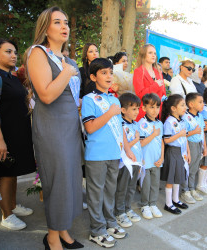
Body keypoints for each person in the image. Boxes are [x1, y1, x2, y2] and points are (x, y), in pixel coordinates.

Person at [25, 7, 84, 249]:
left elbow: (72, 96)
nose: (64, 26)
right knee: (57, 179)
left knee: (70, 177)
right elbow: (47, 95)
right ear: (45, 28)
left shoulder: (68, 59)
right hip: (52, 126)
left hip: (70, 125)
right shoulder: (38, 53)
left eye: (66, 22)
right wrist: (67, 72)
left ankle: (63, 230)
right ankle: (52, 236)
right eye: (57, 22)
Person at [0, 38, 36, 230]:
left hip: (17, 134)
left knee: (14, 172)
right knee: (6, 174)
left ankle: (12, 205)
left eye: (14, 52)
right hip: (2, 135)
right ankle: (6, 215)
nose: (13, 55)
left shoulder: (11, 76)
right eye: (8, 51)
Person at [81, 58, 136, 248]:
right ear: (93, 76)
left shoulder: (114, 99)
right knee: (96, 193)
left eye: (110, 72)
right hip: (96, 154)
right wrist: (111, 113)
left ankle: (110, 222)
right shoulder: (89, 99)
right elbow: (90, 127)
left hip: (114, 153)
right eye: (103, 73)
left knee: (110, 191)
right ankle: (97, 230)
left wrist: (127, 149)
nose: (108, 76)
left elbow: (120, 127)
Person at [115, 93, 143, 228]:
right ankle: (119, 212)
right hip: (125, 162)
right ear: (123, 110)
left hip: (136, 161)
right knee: (122, 187)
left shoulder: (136, 124)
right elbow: (123, 145)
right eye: (133, 109)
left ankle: (127, 208)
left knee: (131, 187)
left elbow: (139, 146)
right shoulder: (120, 124)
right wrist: (136, 140)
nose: (137, 112)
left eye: (138, 108)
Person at [161, 94, 190, 215]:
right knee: (171, 179)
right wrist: (180, 134)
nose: (185, 107)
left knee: (178, 176)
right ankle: (168, 204)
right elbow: (166, 140)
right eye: (182, 105)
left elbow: (185, 138)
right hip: (172, 152)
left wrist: (188, 152)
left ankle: (176, 199)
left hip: (181, 152)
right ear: (173, 108)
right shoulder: (169, 122)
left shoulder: (182, 120)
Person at [138, 93, 164, 219]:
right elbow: (141, 143)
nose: (155, 110)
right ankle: (144, 205)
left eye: (157, 107)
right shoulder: (141, 123)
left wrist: (162, 157)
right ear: (144, 108)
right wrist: (153, 134)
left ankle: (153, 204)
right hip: (145, 161)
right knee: (146, 184)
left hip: (156, 160)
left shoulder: (160, 123)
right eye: (152, 107)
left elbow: (162, 142)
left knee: (155, 184)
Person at [180, 92, 207, 204]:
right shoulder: (185, 117)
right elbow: (183, 134)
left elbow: (202, 132)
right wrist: (193, 132)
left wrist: (204, 146)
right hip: (189, 144)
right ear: (190, 104)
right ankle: (185, 190)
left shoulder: (200, 116)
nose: (203, 104)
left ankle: (192, 188)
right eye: (200, 102)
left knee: (195, 168)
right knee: (188, 167)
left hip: (198, 144)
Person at [133, 44, 166, 121]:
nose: (153, 55)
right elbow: (140, 94)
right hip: (144, 115)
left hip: (159, 114)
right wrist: (155, 85)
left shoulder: (158, 72)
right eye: (150, 53)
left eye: (154, 53)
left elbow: (163, 94)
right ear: (143, 55)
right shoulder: (138, 71)